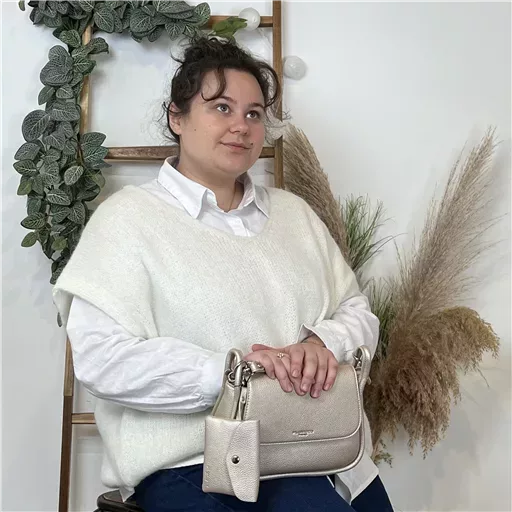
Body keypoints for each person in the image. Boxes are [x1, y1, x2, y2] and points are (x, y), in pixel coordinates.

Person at [53, 36, 394, 512]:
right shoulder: (127, 221)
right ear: (177, 117)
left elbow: (356, 311)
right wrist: (237, 375)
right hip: (191, 463)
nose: (241, 126)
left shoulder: (294, 215)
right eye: (221, 107)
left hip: (325, 451)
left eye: (254, 114)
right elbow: (102, 360)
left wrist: (321, 345)